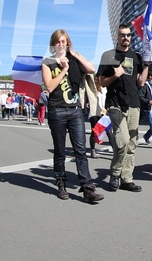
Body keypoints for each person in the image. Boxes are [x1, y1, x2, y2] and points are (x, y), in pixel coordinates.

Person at [42, 29, 103, 203]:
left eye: (64, 42)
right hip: (57, 110)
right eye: (58, 42)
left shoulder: (74, 59)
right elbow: (50, 86)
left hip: (75, 110)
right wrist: (64, 69)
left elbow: (91, 69)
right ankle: (61, 183)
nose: (61, 45)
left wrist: (74, 54)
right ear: (53, 44)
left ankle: (87, 188)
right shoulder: (47, 63)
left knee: (80, 150)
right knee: (60, 151)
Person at [97, 24, 149, 193]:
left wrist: (146, 65)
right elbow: (102, 82)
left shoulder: (136, 57)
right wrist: (116, 75)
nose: (126, 38)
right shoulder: (108, 55)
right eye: (122, 35)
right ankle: (114, 173)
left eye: (128, 35)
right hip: (115, 104)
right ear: (117, 37)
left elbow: (141, 82)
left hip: (134, 104)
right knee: (123, 141)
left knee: (132, 144)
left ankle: (127, 178)